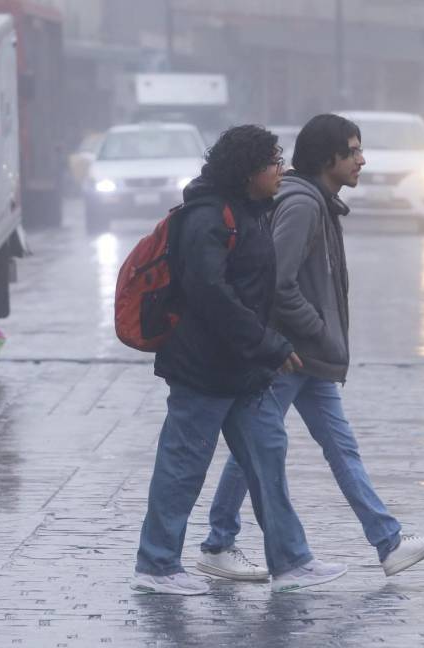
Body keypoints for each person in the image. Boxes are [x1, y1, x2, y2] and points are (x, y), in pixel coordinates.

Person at [196, 114, 424, 582]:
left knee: (336, 446)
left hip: (308, 356)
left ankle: (388, 542)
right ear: (327, 158)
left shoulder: (320, 202)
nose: (362, 160)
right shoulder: (304, 205)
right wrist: (317, 329)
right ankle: (219, 543)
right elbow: (279, 281)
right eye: (353, 151)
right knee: (256, 447)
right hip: (289, 355)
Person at [132, 125, 348, 595]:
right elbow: (212, 295)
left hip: (244, 371)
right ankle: (157, 564)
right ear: (248, 171)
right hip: (203, 369)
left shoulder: (252, 211)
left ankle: (290, 561)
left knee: (268, 458)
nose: (282, 170)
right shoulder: (207, 217)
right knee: (183, 465)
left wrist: (263, 349)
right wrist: (270, 343)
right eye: (273, 163)